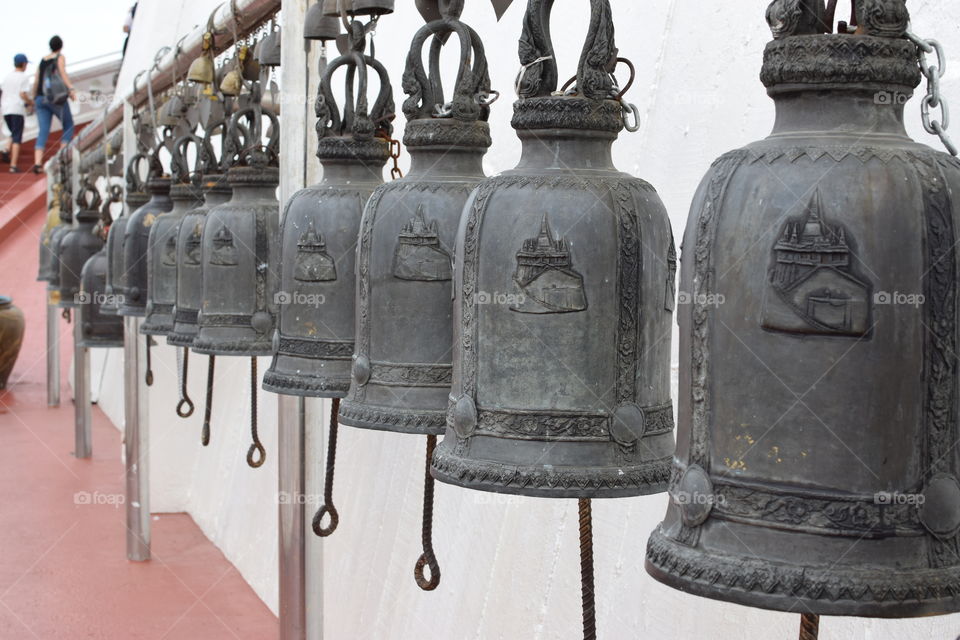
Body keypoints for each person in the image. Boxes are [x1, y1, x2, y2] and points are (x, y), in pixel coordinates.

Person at [32, 36, 76, 174]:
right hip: (56, 98)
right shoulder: (60, 57)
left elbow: (37, 79)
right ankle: (62, 157)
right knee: (68, 125)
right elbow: (62, 73)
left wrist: (35, 97)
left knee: (43, 130)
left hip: (41, 97)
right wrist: (71, 89)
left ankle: (37, 163)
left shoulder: (43, 60)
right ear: (61, 46)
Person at [0, 54, 34, 172]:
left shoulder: (7, 77)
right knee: (17, 137)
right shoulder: (23, 77)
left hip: (5, 108)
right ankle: (13, 166)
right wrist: (30, 102)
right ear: (24, 64)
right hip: (17, 109)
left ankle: (6, 149)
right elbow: (22, 94)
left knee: (13, 132)